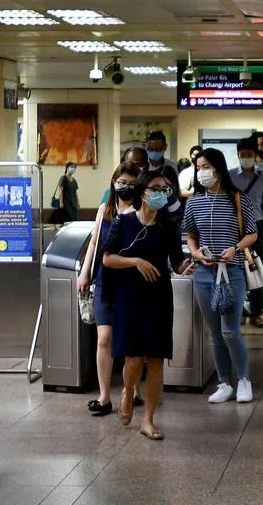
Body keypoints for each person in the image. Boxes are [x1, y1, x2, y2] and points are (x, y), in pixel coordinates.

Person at [100, 170, 183, 441]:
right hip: (130, 296)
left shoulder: (168, 226)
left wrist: (190, 264)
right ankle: (127, 389)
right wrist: (135, 261)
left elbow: (177, 261)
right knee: (133, 358)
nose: (161, 193)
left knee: (156, 359)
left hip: (159, 295)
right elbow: (108, 259)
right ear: (143, 191)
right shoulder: (123, 223)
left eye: (165, 188)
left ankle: (148, 419)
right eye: (156, 187)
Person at [184, 148, 258, 404]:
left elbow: (252, 233)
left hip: (232, 272)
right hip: (204, 274)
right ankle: (224, 382)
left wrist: (235, 248)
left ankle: (244, 380)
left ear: (218, 168)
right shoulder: (194, 201)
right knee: (214, 332)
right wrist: (196, 254)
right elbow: (191, 235)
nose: (201, 172)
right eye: (199, 167)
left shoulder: (238, 199)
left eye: (206, 167)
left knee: (230, 330)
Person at [77, 161, 142, 416]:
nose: (125, 187)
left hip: (132, 280)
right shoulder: (105, 209)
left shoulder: (141, 210)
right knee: (103, 338)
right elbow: (95, 243)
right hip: (105, 279)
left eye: (130, 183)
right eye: (121, 182)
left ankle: (131, 389)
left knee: (129, 341)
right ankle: (104, 397)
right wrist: (85, 272)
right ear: (114, 182)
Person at [231, 137, 263, 328]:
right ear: (238, 155)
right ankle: (239, 311)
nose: (246, 158)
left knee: (258, 270)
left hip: (257, 226)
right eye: (243, 155)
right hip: (236, 229)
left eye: (250, 154)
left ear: (255, 155)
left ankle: (257, 312)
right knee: (236, 270)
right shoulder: (230, 176)